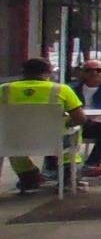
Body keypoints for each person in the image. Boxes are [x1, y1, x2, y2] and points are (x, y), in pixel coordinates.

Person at [4, 58, 86, 193]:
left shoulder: (5, 89)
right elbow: (80, 118)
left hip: (16, 141)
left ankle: (28, 175)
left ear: (23, 72)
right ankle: (68, 173)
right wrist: (67, 123)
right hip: (53, 140)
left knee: (10, 141)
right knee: (74, 132)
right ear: (48, 72)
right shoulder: (61, 89)